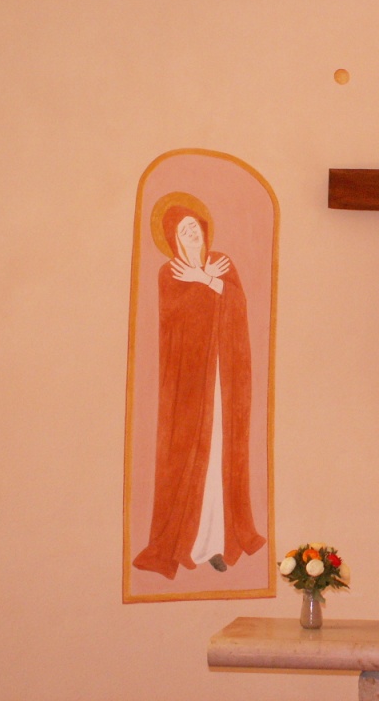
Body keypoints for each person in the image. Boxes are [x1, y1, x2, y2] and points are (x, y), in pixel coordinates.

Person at [133, 195, 265, 580]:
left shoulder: (221, 263)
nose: (192, 234)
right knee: (190, 460)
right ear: (173, 240)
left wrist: (206, 278)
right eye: (184, 230)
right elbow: (174, 322)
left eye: (195, 227)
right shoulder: (169, 273)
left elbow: (237, 307)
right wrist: (197, 283)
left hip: (224, 381)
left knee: (221, 456)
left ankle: (218, 543)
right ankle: (188, 544)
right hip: (190, 387)